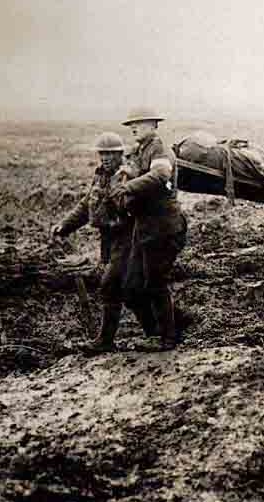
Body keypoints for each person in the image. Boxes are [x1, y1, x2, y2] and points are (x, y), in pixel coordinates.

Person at [51, 132, 157, 353]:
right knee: (123, 288)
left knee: (117, 285)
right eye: (102, 153)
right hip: (111, 239)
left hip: (131, 237)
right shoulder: (100, 176)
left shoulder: (128, 175)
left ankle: (148, 335)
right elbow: (87, 204)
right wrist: (66, 225)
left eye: (110, 153)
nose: (106, 158)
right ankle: (152, 332)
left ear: (120, 154)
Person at [109, 107, 188, 351]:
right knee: (131, 286)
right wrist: (127, 173)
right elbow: (138, 172)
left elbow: (162, 172)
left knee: (155, 282)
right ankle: (162, 329)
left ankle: (169, 338)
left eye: (140, 124)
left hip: (164, 227)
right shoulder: (141, 151)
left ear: (153, 125)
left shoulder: (159, 148)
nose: (134, 128)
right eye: (132, 125)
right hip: (144, 228)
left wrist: (128, 187)